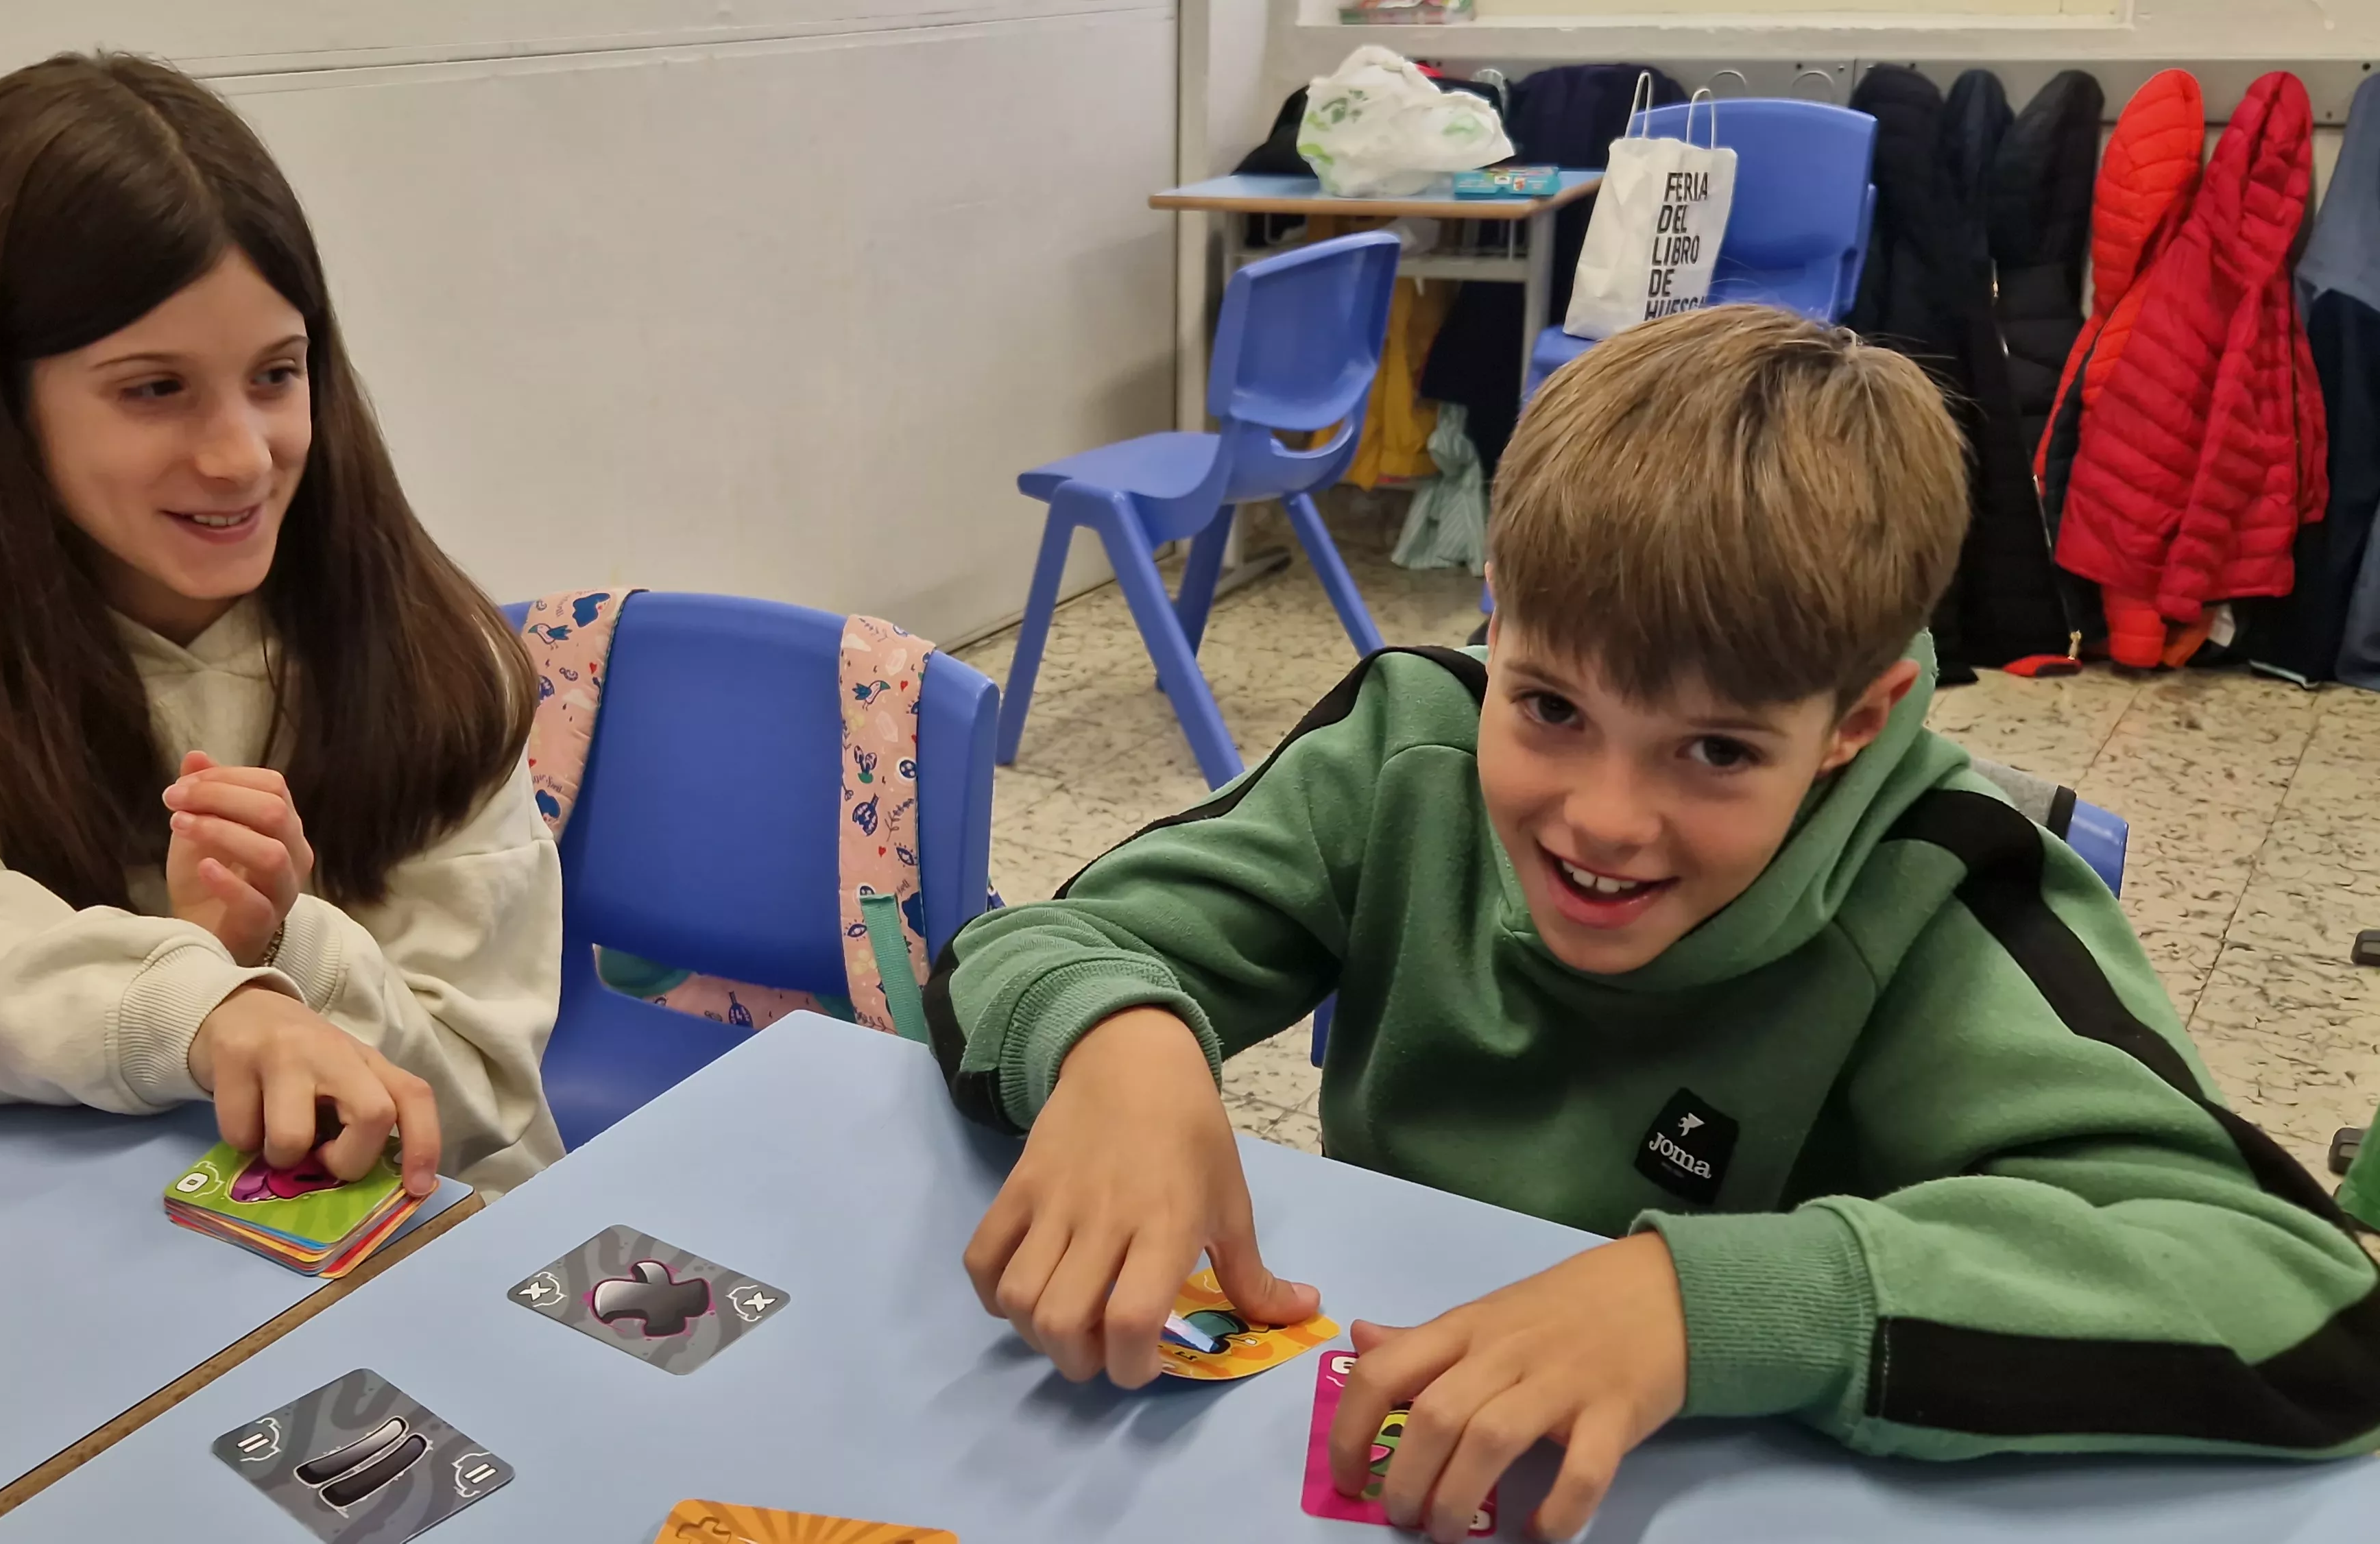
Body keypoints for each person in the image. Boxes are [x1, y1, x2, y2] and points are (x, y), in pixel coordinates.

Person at [930, 306, 2380, 1543]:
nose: (1602, 819)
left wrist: (1701, 1307)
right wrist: (1115, 1040)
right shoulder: (1402, 751)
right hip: (1397, 1431)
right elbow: (1013, 952)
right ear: (1492, 627)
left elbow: (2297, 1301)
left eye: (1714, 750)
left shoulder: (1948, 891)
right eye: (1548, 706)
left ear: (1852, 721)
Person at [0, 53, 564, 1199]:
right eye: (153, 389)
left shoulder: (430, 657)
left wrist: (286, 949)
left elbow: (479, 1104)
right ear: (1, 405)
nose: (238, 455)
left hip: (415, 1244)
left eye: (275, 374)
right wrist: (202, 1000)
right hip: (105, 1239)